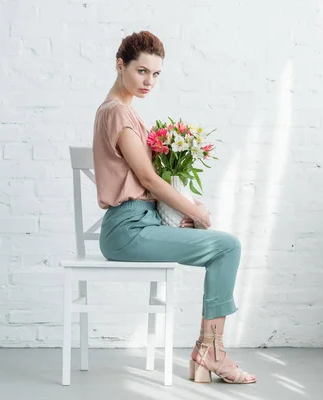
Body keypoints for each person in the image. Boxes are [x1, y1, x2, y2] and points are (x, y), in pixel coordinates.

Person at [92, 30, 256, 384]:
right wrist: (195, 213)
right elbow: (148, 180)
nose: (149, 81)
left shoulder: (124, 112)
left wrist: (177, 213)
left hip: (141, 224)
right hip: (128, 230)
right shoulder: (118, 114)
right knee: (226, 246)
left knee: (224, 247)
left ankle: (209, 351)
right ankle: (211, 352)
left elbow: (144, 186)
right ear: (120, 65)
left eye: (156, 74)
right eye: (141, 71)